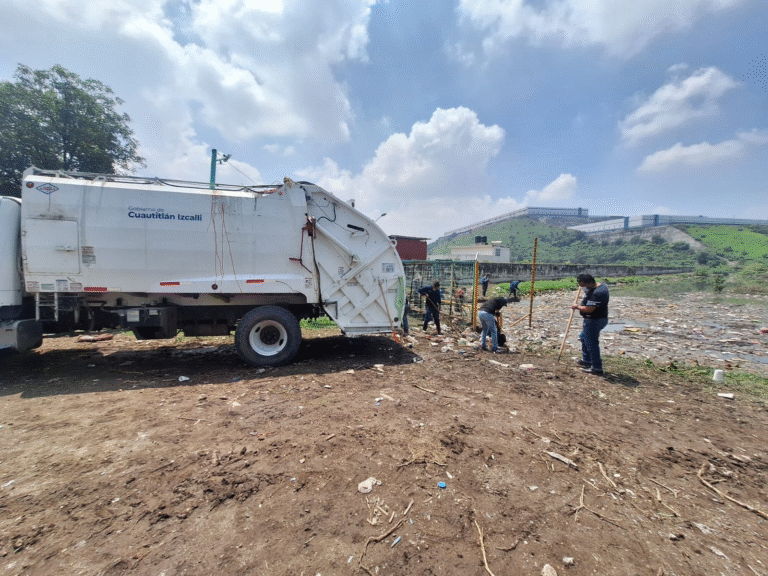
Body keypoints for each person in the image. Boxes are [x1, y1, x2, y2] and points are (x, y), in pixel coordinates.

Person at [571, 273, 609, 375]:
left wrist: (577, 306)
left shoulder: (598, 292)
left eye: (583, 285)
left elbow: (589, 309)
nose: (582, 288)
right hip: (592, 320)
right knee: (583, 337)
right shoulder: (598, 287)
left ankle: (597, 368)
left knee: (591, 343)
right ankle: (586, 360)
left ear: (589, 283)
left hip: (595, 320)